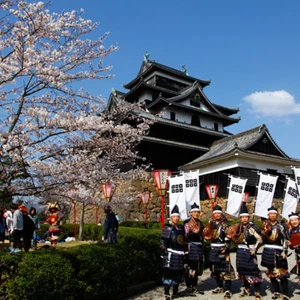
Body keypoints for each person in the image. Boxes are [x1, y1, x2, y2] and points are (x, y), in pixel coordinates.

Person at [227, 203, 263, 300]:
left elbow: (260, 239)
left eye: (246, 217)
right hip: (240, 251)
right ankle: (247, 290)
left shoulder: (253, 227)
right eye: (242, 217)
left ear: (248, 217)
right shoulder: (237, 227)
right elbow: (232, 238)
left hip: (250, 250)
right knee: (243, 271)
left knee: (253, 271)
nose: (244, 219)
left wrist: (255, 249)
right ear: (240, 218)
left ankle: (257, 292)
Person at [203, 205, 235, 299]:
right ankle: (220, 286)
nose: (217, 215)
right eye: (216, 213)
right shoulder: (210, 223)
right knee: (215, 269)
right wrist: (206, 238)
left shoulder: (225, 224)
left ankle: (228, 289)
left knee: (226, 269)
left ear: (221, 214)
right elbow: (206, 235)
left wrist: (226, 247)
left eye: (219, 213)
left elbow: (230, 237)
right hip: (213, 248)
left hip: (222, 248)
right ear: (214, 214)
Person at [261, 206, 290, 300]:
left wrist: (284, 251)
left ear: (276, 215)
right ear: (268, 215)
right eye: (271, 214)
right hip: (267, 251)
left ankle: (285, 293)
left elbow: (286, 239)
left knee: (282, 273)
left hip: (279, 250)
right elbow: (261, 239)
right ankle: (276, 291)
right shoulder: (265, 225)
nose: (273, 215)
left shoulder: (281, 225)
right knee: (271, 273)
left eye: (274, 214)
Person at [160, 205, 186, 300]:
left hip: (180, 254)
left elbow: (184, 241)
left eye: (178, 217)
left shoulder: (181, 228)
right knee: (169, 274)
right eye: (174, 217)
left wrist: (185, 252)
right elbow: (163, 241)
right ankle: (167, 293)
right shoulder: (168, 228)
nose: (176, 218)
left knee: (178, 273)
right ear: (171, 218)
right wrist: (164, 253)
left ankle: (175, 292)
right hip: (171, 253)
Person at [183, 202, 205, 296]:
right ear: (191, 213)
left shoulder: (200, 223)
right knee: (190, 267)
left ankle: (195, 286)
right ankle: (189, 287)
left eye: (198, 212)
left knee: (197, 267)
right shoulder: (187, 223)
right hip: (190, 247)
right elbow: (184, 236)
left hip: (199, 247)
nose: (196, 213)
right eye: (194, 212)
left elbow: (203, 236)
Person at [287, 212, 300, 285]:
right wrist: (290, 244)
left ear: (299, 220)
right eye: (292, 220)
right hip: (298, 253)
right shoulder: (291, 231)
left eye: (295, 220)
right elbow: (292, 245)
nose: (294, 222)